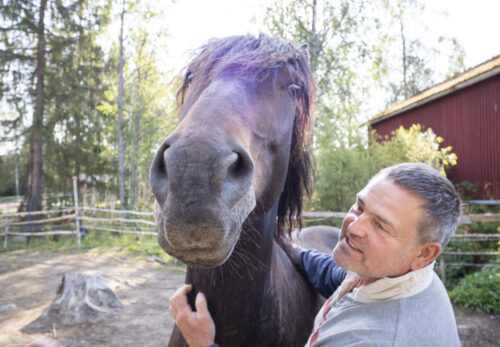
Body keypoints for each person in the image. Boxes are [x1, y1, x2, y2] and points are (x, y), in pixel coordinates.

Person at [169, 162, 462, 346]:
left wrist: (204, 345)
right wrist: (294, 251)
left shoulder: (368, 340)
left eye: (381, 226)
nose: (353, 227)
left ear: (424, 254)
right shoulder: (406, 277)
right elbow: (338, 277)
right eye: (360, 207)